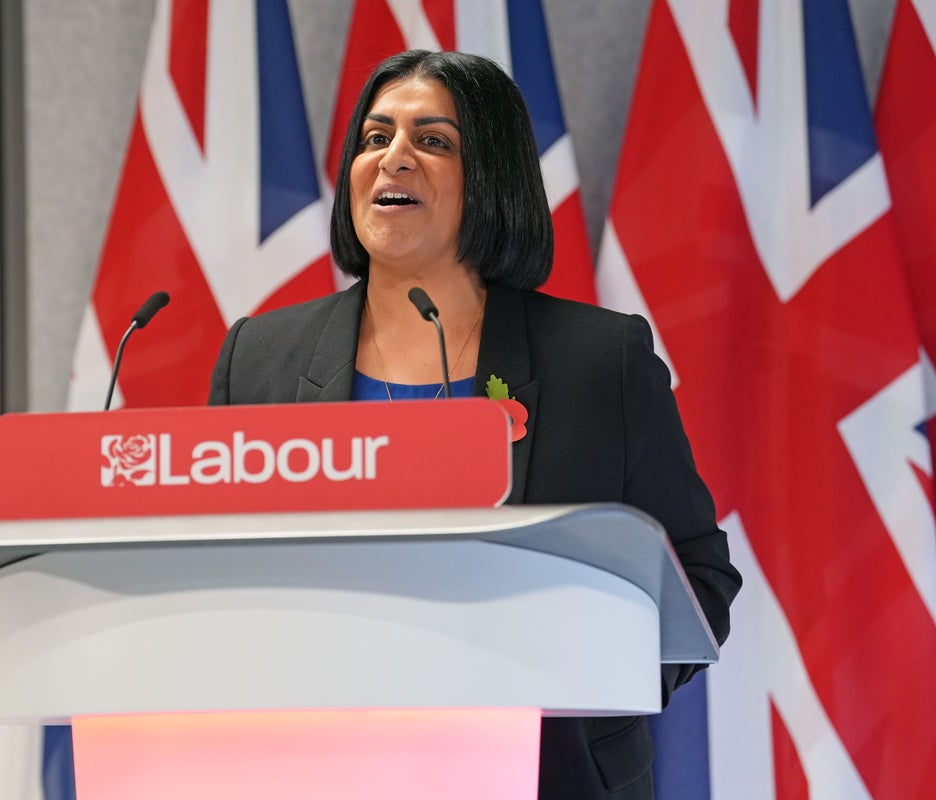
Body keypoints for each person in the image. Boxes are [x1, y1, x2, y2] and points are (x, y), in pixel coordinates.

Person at [209, 49, 741, 799]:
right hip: (314, 766)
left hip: (545, 773)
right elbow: (213, 573)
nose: (394, 157)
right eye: (375, 138)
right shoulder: (260, 358)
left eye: (433, 140)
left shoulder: (598, 361)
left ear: (492, 177)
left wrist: (584, 688)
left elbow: (699, 575)